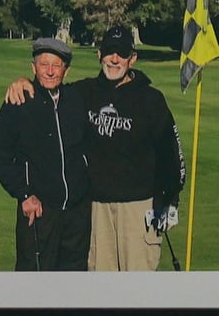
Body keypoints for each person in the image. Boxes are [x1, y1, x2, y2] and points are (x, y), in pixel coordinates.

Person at [65, 28, 183, 271]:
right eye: (109, 52)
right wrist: (24, 82)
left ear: (133, 58)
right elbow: (49, 92)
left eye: (122, 53)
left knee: (138, 291)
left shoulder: (152, 100)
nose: (115, 59)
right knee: (101, 288)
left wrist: (169, 199)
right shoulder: (83, 92)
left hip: (139, 208)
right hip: (97, 210)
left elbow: (171, 154)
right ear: (99, 55)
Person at [0, 37, 92, 272]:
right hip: (38, 212)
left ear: (66, 71)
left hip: (76, 215)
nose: (49, 71)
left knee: (73, 286)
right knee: (33, 285)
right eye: (44, 65)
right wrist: (24, 194)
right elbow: (2, 156)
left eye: (56, 66)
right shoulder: (19, 101)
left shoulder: (77, 99)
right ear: (33, 68)